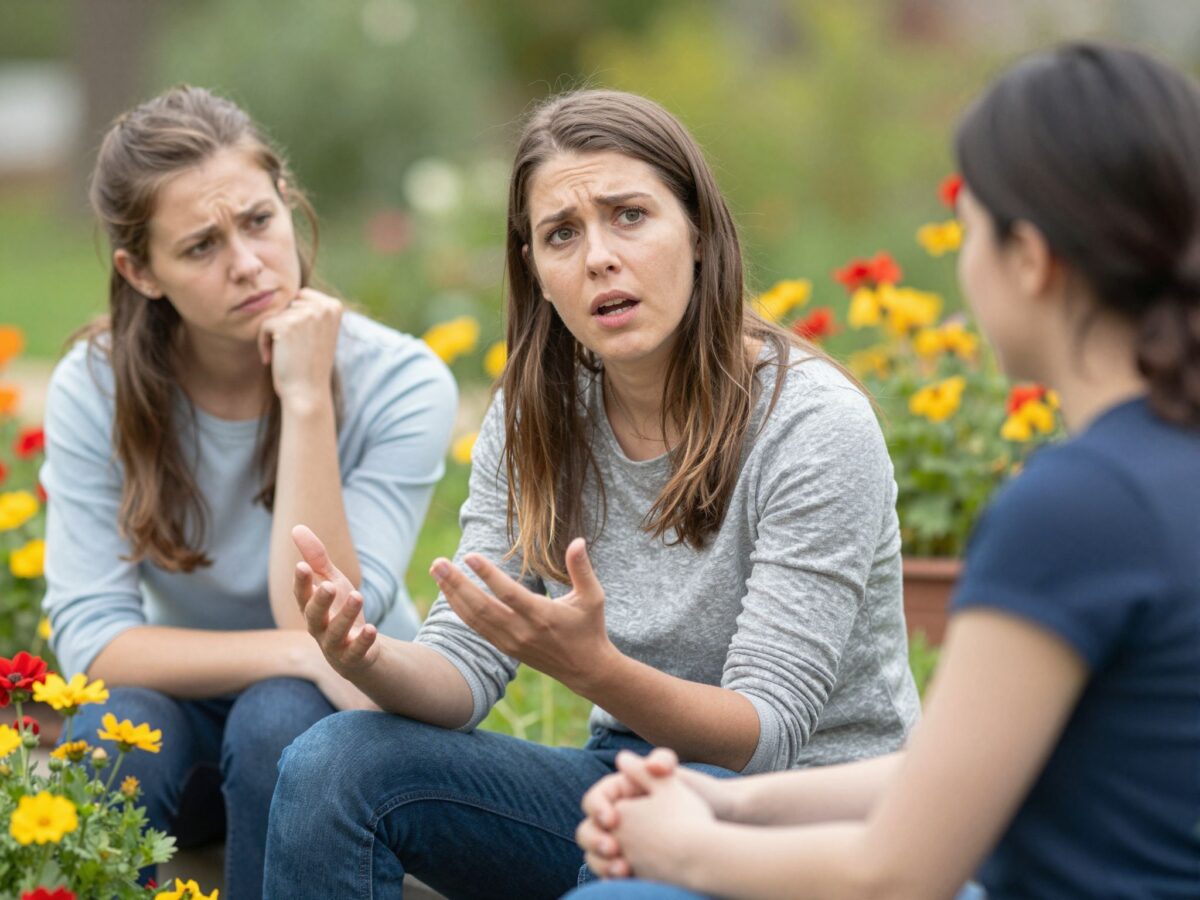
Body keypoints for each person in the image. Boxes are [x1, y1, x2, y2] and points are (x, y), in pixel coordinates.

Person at [571, 42, 1200, 900]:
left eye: (971, 227)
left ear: (1031, 257)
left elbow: (897, 875)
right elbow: (953, 770)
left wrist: (678, 845)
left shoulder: (1078, 509)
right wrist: (728, 809)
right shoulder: (1162, 474)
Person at [263, 89, 920, 900]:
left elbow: (768, 735)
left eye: (630, 215)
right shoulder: (536, 414)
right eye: (562, 234)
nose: (599, 256)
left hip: (804, 820)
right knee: (332, 765)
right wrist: (368, 656)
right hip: (624, 788)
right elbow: (462, 673)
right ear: (536, 273)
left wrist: (593, 667)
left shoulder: (812, 424)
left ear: (702, 234)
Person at [40, 86, 456, 899]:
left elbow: (329, 619)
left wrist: (305, 400)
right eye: (200, 246)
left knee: (279, 714)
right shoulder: (95, 390)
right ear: (140, 271)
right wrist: (300, 653)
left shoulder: (400, 380)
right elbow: (93, 643)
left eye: (259, 221)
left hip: (347, 728)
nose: (248, 262)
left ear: (287, 206)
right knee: (116, 729)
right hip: (195, 717)